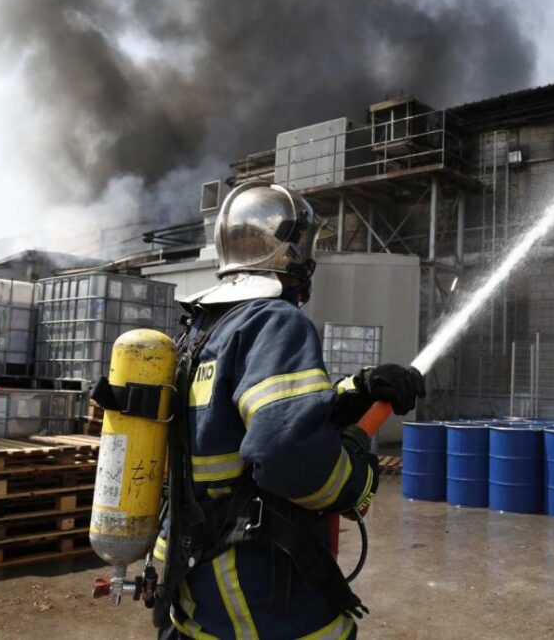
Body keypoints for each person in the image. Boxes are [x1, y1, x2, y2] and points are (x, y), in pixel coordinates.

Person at [154, 179, 425, 639]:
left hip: (197, 580)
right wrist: (356, 476)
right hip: (258, 588)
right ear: (289, 250)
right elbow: (287, 452)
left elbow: (240, 419)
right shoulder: (273, 321)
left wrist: (356, 390)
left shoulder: (202, 330)